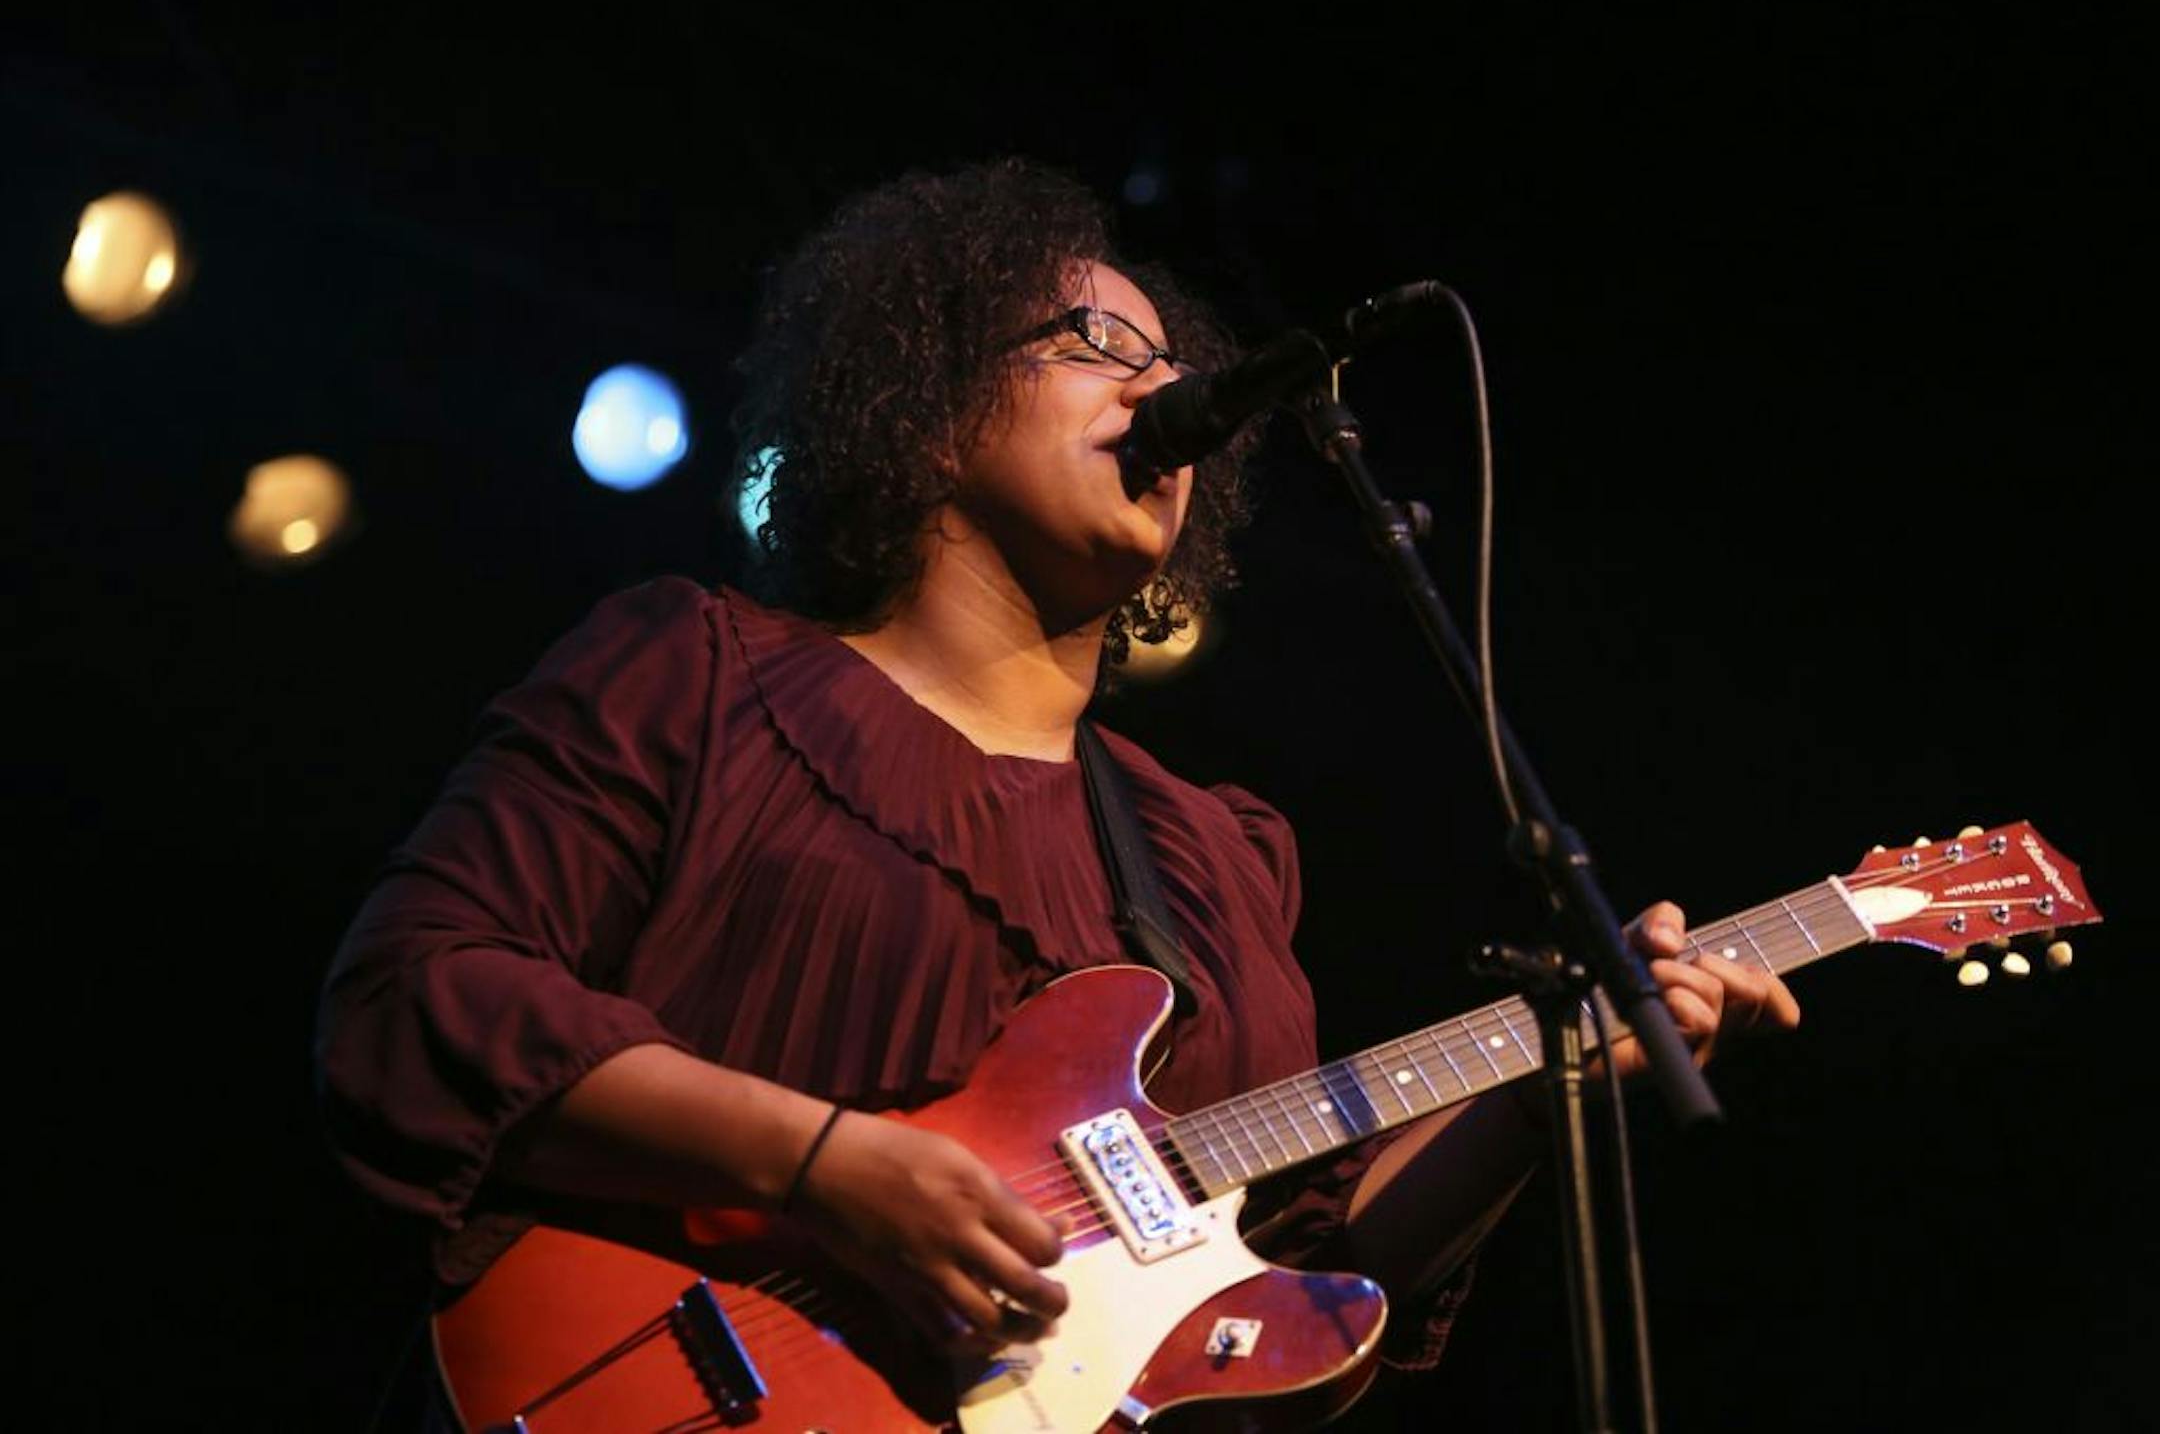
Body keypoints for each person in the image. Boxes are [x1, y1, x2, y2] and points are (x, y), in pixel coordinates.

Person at [316, 159, 1799, 1426]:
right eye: (1094, 339)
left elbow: (1290, 1285)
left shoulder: (1210, 856)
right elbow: (420, 995)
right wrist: (826, 1165)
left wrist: (1538, 1101)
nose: (1165, 389)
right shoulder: (699, 673)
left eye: (1170, 358)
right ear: (927, 400)